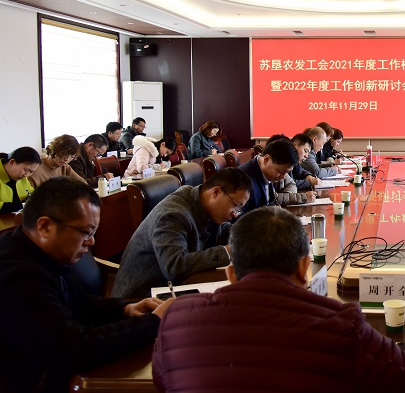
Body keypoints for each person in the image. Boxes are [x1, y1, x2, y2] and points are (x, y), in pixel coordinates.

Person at [152, 207, 405, 393]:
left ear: (231, 274)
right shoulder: (342, 324)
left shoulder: (176, 321)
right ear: (304, 268)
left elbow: (164, 381)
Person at [0, 177, 172, 392]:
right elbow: (73, 350)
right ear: (45, 226)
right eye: (86, 232)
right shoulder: (18, 276)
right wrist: (153, 322)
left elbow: (79, 301)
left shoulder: (39, 253)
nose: (91, 241)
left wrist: (126, 309)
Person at [112, 168, 252, 299]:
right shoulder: (173, 214)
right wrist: (227, 251)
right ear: (216, 192)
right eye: (236, 206)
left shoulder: (201, 201)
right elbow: (175, 267)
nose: (235, 214)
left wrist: (246, 237)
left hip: (178, 286)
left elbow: (222, 230)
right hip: (141, 298)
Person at [239, 137, 302, 212]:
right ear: (266, 159)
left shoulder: (265, 172)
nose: (282, 177)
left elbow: (268, 202)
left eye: (287, 172)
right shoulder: (245, 179)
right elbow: (239, 216)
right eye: (281, 171)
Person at [0, 146, 40, 213]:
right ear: (12, 162)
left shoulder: (23, 178)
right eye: (26, 170)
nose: (26, 175)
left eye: (31, 172)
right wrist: (24, 205)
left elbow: (32, 194)